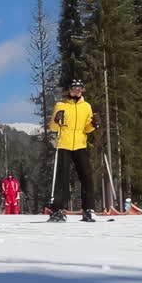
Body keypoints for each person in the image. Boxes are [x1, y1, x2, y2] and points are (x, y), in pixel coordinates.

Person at [47, 79, 98, 222]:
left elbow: (87, 128)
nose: (77, 91)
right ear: (69, 90)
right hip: (64, 144)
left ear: (82, 90)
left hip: (80, 144)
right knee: (62, 179)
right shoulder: (61, 105)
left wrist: (94, 125)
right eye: (74, 88)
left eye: (79, 88)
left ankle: (88, 209)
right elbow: (53, 127)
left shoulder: (86, 106)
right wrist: (56, 121)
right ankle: (57, 210)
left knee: (86, 177)